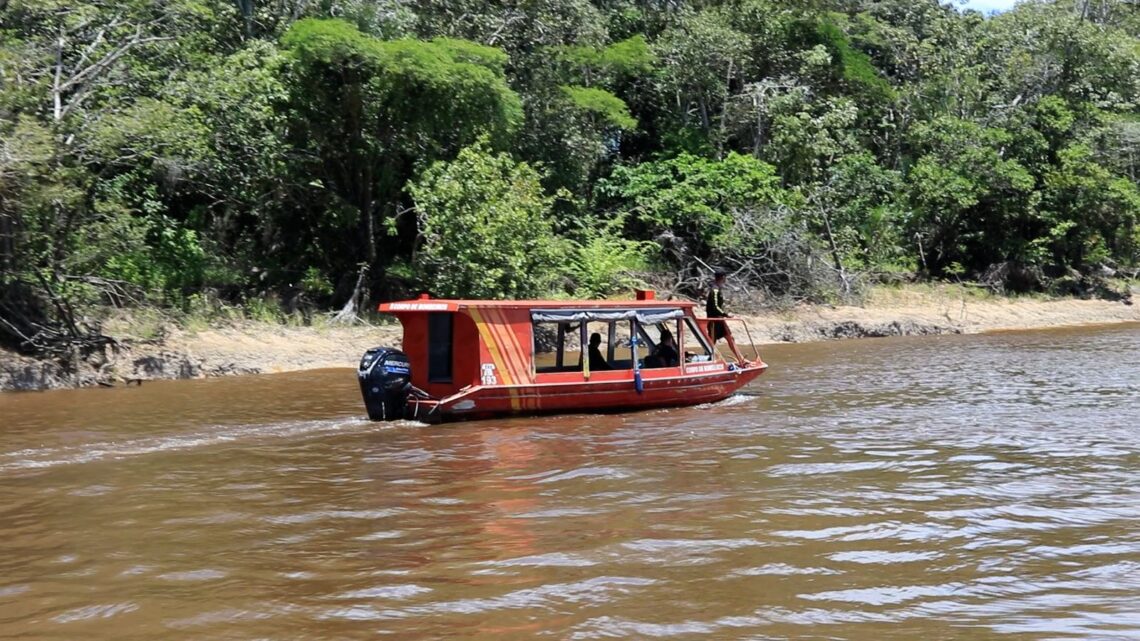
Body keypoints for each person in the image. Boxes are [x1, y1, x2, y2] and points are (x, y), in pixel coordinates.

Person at [705, 269, 747, 364]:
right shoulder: (714, 290)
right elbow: (714, 306)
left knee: (730, 337)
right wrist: (726, 314)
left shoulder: (717, 289)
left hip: (719, 319)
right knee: (711, 342)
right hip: (714, 320)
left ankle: (741, 359)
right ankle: (707, 360)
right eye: (725, 278)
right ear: (723, 278)